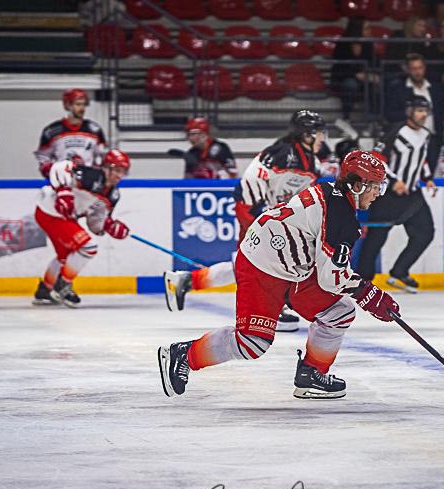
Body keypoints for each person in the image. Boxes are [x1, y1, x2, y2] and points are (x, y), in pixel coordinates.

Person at [157, 150, 400, 399]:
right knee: (252, 343)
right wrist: (368, 293)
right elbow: (331, 279)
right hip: (262, 267)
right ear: (358, 185)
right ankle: (183, 355)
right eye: (375, 187)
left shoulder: (331, 192)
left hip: (288, 266)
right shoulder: (342, 217)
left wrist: (363, 292)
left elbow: (324, 264)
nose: (377, 195)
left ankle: (311, 373)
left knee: (339, 312)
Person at [164, 110, 329, 333]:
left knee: (252, 262)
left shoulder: (312, 162)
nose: (322, 138)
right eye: (319, 133)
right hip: (254, 209)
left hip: (270, 215)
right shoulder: (282, 153)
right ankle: (271, 309)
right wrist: (260, 214)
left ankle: (185, 281)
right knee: (265, 260)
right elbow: (253, 181)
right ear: (307, 134)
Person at [358, 96, 437, 294]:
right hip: (389, 194)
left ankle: (399, 271)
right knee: (377, 237)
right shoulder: (395, 132)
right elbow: (377, 159)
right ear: (410, 111)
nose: (424, 114)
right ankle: (362, 280)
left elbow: (422, 160)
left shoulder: (426, 135)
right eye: (419, 110)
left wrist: (427, 178)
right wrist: (393, 181)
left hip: (412, 194)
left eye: (425, 111)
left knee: (425, 233)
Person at [32, 150, 131, 308]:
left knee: (66, 256)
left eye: (123, 171)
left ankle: (45, 290)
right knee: (88, 247)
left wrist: (109, 226)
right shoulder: (90, 175)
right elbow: (59, 167)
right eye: (117, 170)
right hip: (50, 211)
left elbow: (96, 222)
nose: (119, 176)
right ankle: (63, 285)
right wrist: (63, 191)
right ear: (106, 168)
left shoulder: (113, 195)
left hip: (62, 217)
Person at [385, 53, 444, 171]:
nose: (418, 72)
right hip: (408, 140)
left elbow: (441, 112)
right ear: (407, 70)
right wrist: (410, 117)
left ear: (424, 68)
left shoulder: (434, 88)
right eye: (414, 69)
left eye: (420, 68)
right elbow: (390, 113)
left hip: (431, 139)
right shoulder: (398, 89)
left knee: (430, 174)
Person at [35, 88, 107, 178]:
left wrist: (97, 171)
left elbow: (103, 155)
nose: (82, 108)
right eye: (78, 104)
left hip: (88, 182)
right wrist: (53, 172)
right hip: (62, 181)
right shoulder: (51, 131)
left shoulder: (95, 130)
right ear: (68, 105)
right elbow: (43, 157)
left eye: (84, 105)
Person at [330, 17, 379, 120]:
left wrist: (371, 74)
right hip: (343, 78)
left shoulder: (368, 44)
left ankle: (372, 120)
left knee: (376, 84)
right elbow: (339, 68)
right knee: (350, 84)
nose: (370, 31)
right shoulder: (343, 44)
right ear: (357, 29)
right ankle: (346, 117)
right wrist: (355, 74)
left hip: (363, 78)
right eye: (367, 28)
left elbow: (374, 63)